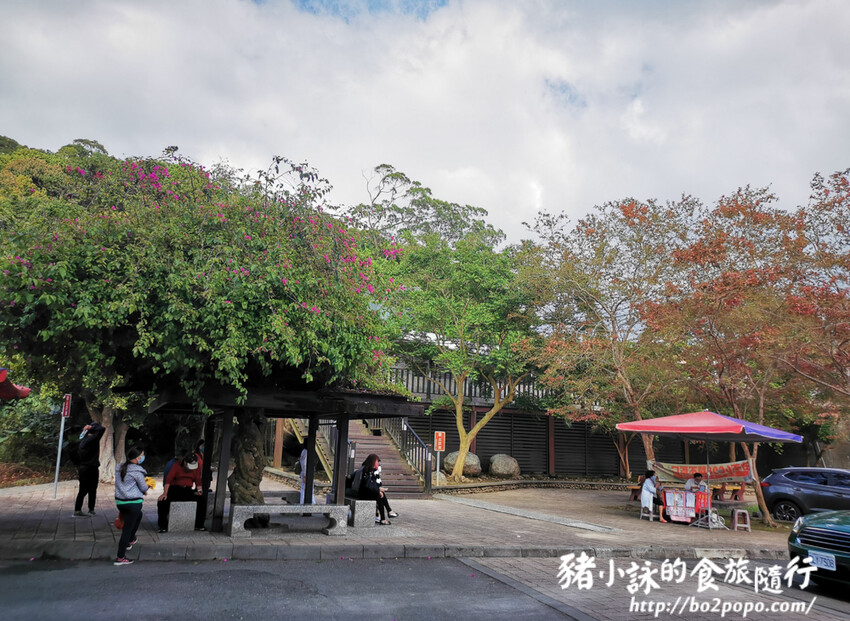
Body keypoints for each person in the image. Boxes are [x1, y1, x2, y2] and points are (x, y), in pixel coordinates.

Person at [114, 446, 150, 566]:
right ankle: (120, 557)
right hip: (133, 503)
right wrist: (148, 486)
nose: (143, 457)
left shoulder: (119, 468)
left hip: (120, 502)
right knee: (127, 529)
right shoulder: (137, 471)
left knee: (139, 516)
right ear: (137, 457)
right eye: (142, 455)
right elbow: (143, 487)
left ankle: (130, 539)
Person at [157, 452, 206, 532]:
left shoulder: (196, 468)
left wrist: (199, 491)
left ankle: (199, 525)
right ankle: (162, 526)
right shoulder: (176, 465)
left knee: (202, 500)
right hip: (175, 489)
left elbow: (198, 480)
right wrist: (165, 493)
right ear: (185, 462)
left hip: (188, 490)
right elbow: (168, 480)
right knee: (162, 501)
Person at [73, 422, 106, 517]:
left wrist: (90, 428)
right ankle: (90, 509)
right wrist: (92, 427)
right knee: (91, 488)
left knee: (84, 489)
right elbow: (102, 429)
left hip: (83, 467)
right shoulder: (92, 439)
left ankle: (79, 509)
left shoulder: (82, 439)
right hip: (91, 467)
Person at [352, 454, 394, 525]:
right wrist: (378, 490)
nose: (378, 463)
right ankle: (386, 515)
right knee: (380, 497)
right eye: (377, 461)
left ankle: (386, 514)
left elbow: (372, 485)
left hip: (363, 492)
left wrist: (378, 490)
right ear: (373, 461)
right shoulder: (369, 471)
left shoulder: (365, 469)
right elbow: (368, 486)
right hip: (363, 494)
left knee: (380, 496)